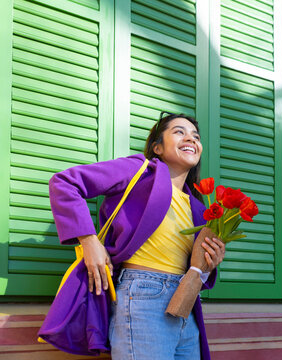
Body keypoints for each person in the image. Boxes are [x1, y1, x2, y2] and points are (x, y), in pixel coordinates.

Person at [42, 112, 225, 360]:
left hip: (187, 304)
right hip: (144, 296)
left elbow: (195, 269)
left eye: (196, 136)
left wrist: (208, 263)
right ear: (157, 147)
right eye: (179, 132)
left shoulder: (199, 208)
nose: (191, 139)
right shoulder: (138, 170)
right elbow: (64, 183)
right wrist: (89, 240)